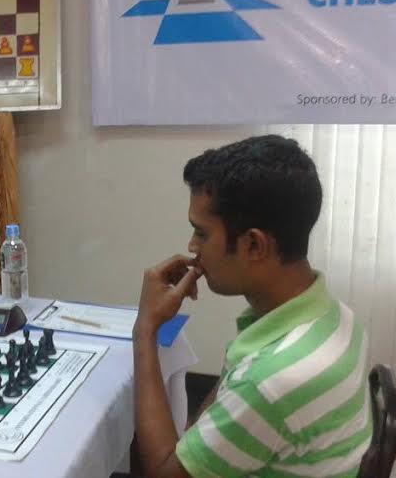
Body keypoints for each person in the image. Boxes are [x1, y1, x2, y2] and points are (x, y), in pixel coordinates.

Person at [134, 136, 371, 477]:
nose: (191, 246)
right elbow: (237, 388)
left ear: (254, 245)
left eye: (201, 234)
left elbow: (162, 473)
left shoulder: (271, 382)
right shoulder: (338, 318)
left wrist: (145, 329)